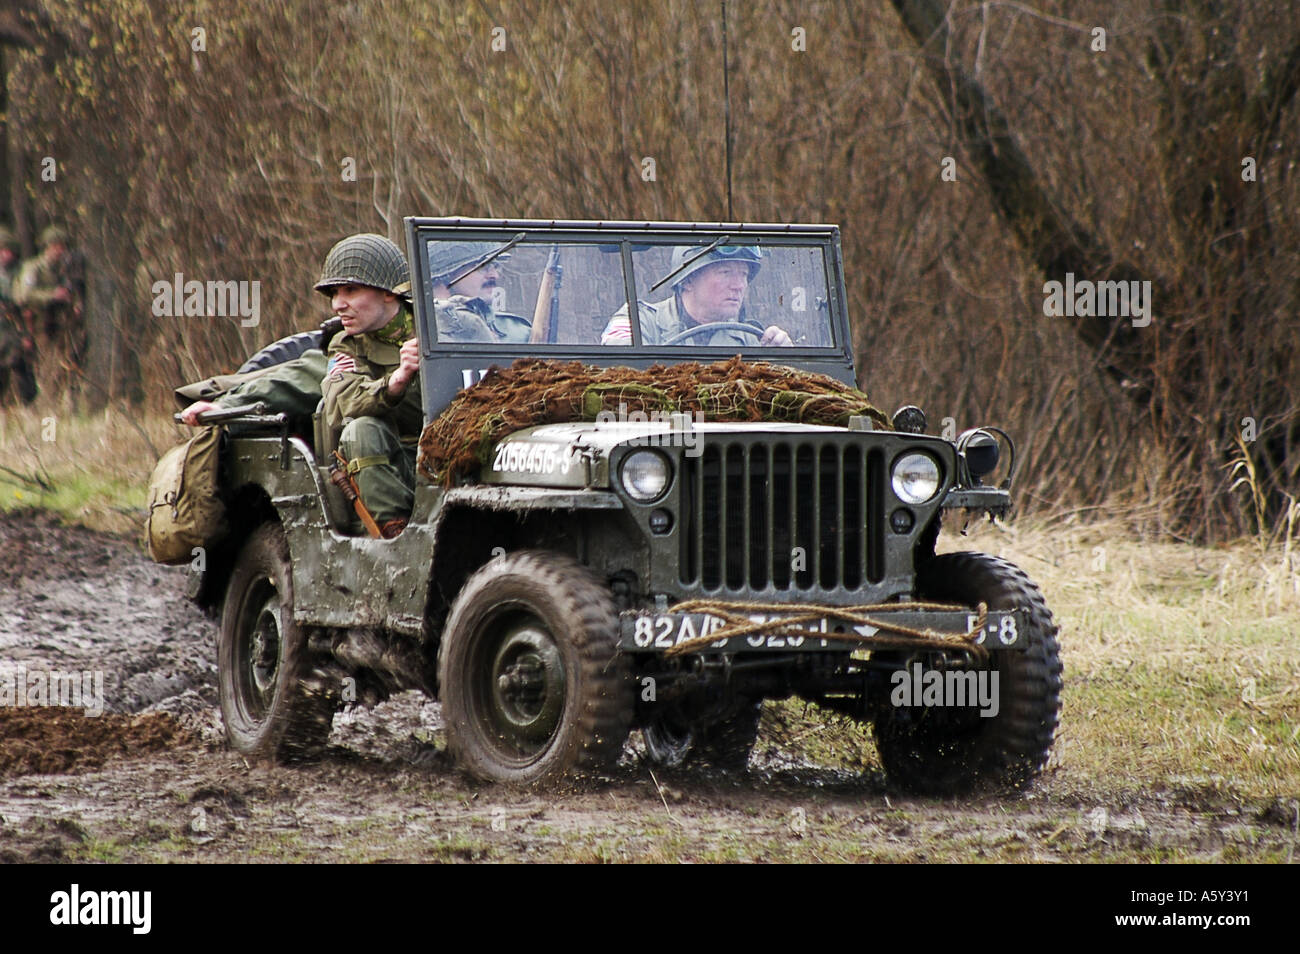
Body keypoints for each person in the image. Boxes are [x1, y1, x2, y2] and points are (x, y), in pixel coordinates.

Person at [318, 233, 422, 539]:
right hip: (399, 462)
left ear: (388, 293)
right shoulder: (346, 346)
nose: (338, 304)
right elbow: (340, 404)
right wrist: (396, 381)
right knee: (360, 428)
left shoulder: (442, 326)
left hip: (453, 454)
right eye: (336, 293)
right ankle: (395, 536)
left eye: (351, 290)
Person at [600, 245, 793, 347]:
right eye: (725, 272)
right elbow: (620, 370)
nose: (739, 286)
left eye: (743, 274)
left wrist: (784, 359)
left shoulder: (750, 339)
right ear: (688, 280)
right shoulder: (638, 319)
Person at [427, 242, 531, 342]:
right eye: (483, 267)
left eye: (496, 266)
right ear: (447, 275)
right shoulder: (422, 330)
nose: (494, 275)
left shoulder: (520, 332)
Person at [13, 225, 85, 368]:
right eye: (56, 247)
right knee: (46, 362)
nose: (60, 251)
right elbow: (25, 295)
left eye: (62, 247)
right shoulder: (33, 268)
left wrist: (76, 303)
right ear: (47, 247)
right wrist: (52, 295)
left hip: (63, 323)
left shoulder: (65, 269)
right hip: (39, 322)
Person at [0, 226, 37, 404]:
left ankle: (27, 404)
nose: (5, 255)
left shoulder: (22, 271)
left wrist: (26, 334)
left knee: (21, 364)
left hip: (14, 326)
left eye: (7, 251)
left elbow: (23, 301)